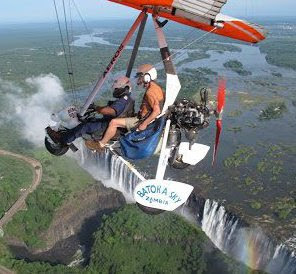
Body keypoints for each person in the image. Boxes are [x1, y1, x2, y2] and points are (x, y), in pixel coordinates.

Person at [92, 64, 165, 151]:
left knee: (113, 122)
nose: (139, 80)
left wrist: (144, 124)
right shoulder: (157, 88)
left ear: (147, 77)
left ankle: (101, 144)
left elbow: (156, 111)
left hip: (141, 121)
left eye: (140, 77)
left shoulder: (150, 92)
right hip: (144, 118)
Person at [46, 75, 134, 145]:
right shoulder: (126, 99)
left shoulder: (124, 99)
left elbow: (111, 111)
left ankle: (62, 139)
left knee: (85, 126)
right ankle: (68, 133)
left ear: (124, 88)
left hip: (112, 128)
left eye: (117, 89)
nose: (115, 91)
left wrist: (96, 107)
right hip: (111, 125)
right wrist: (94, 108)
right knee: (88, 119)